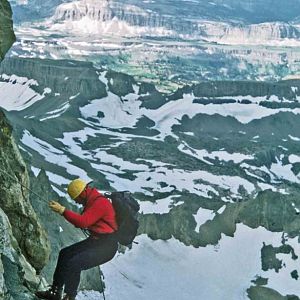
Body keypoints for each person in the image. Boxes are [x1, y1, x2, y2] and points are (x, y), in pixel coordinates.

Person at [35, 178, 118, 300]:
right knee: (65, 254)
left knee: (75, 263)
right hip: (96, 241)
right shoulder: (92, 199)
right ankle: (55, 292)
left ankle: (70, 297)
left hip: (106, 246)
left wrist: (62, 211)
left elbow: (83, 222)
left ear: (82, 193)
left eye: (77, 199)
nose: (77, 202)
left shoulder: (100, 203)